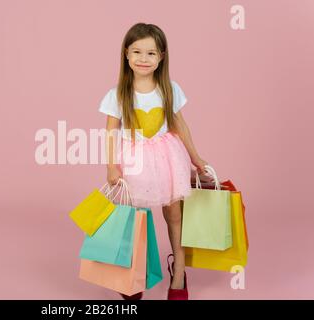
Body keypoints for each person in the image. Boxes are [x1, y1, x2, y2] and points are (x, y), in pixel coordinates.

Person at [98, 23, 213, 300]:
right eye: (137, 51)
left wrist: (196, 159)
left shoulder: (168, 88)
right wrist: (111, 166)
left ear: (161, 56)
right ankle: (132, 273)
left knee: (174, 214)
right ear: (126, 54)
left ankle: (179, 273)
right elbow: (111, 131)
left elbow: (180, 126)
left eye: (151, 53)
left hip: (167, 159)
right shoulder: (118, 93)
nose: (143, 59)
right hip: (134, 162)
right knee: (136, 219)